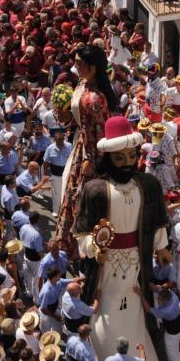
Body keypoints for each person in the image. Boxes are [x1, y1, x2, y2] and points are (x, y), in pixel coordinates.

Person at [73, 116, 170, 361]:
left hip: (138, 255)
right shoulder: (94, 190)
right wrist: (95, 250)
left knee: (136, 300)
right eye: (120, 158)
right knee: (106, 305)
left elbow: (158, 220)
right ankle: (105, 358)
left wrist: (161, 247)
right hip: (107, 262)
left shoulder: (148, 184)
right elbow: (81, 232)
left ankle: (142, 360)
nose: (127, 163)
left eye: (131, 156)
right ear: (109, 159)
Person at [55, 45, 117, 259]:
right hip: (81, 144)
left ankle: (80, 249)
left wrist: (91, 160)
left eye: (80, 64)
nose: (76, 67)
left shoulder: (96, 99)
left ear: (93, 68)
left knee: (79, 197)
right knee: (69, 190)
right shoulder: (83, 84)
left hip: (91, 153)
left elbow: (100, 134)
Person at [44, 131, 72, 217]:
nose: (61, 141)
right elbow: (46, 162)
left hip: (67, 173)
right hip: (55, 174)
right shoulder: (50, 148)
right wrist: (46, 175)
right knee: (56, 193)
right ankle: (55, 210)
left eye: (62, 139)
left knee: (67, 192)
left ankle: (66, 209)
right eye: (59, 139)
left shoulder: (69, 146)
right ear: (54, 139)